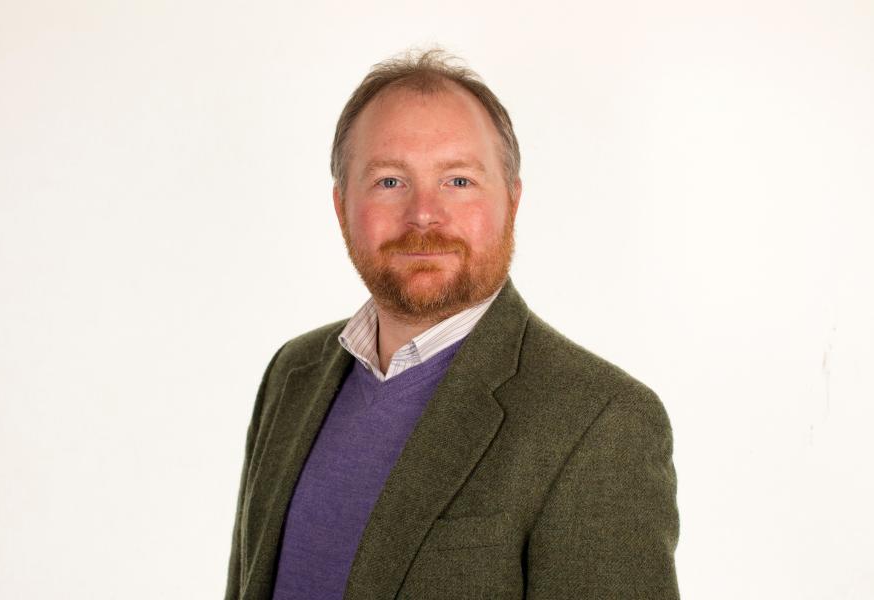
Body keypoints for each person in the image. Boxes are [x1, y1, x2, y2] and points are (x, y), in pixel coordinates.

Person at [224, 49, 679, 600]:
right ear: (342, 205)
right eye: (389, 181)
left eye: (458, 181)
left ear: (512, 201)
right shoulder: (292, 374)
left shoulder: (600, 421)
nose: (423, 214)